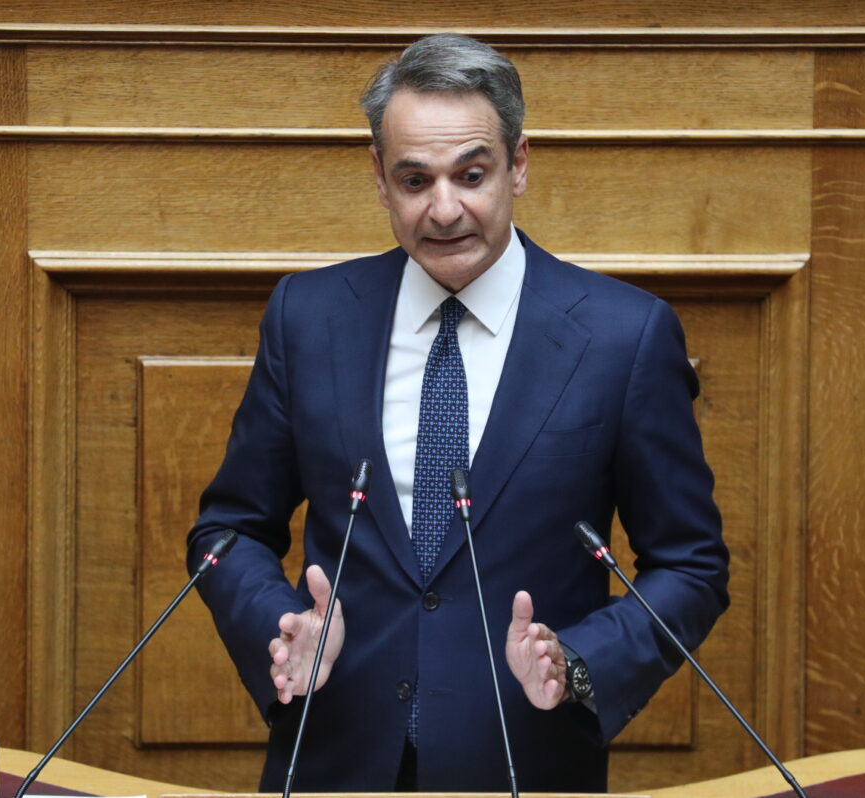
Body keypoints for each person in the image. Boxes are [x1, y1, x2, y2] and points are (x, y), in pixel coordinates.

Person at [186, 33, 729, 793]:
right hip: (335, 761)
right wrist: (280, 629)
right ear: (380, 179)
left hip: (523, 762)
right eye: (415, 180)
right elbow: (229, 531)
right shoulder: (308, 317)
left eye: (472, 175)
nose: (444, 210)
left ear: (519, 164)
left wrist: (578, 663)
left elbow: (690, 565)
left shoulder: (623, 337)